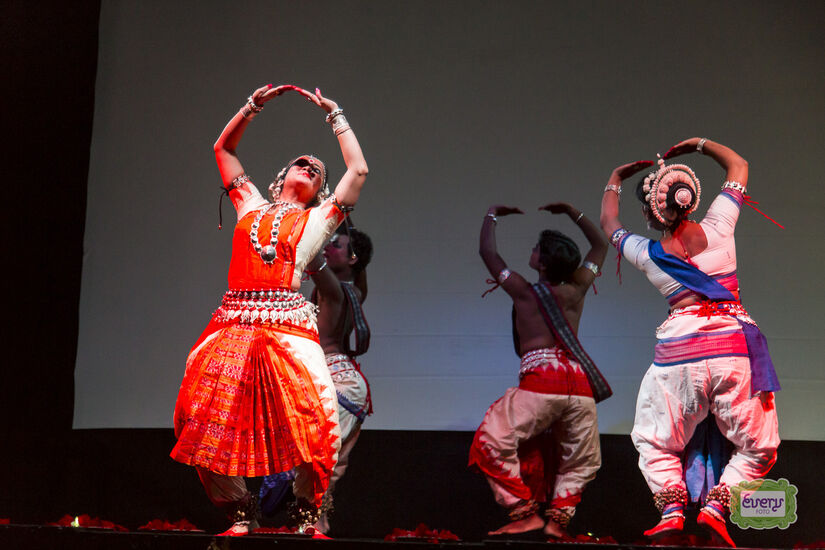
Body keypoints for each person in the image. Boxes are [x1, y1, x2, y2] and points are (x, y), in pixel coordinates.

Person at [170, 83, 368, 536]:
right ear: (282, 176)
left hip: (288, 329)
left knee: (317, 418)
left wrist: (336, 115)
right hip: (232, 323)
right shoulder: (250, 204)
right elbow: (224, 148)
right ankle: (240, 512)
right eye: (303, 163)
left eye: (318, 172)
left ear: (320, 191)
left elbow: (357, 169)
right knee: (194, 417)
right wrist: (252, 106)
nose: (311, 167)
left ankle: (304, 516)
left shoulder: (320, 219)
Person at [599, 139, 780, 547]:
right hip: (734, 351)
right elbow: (739, 164)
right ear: (691, 200)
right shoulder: (719, 226)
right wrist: (699, 144)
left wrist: (614, 179)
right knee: (758, 446)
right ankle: (717, 507)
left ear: (651, 212)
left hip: (680, 357)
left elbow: (610, 225)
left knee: (655, 440)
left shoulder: (647, 253)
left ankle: (672, 510)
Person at [468, 202, 610, 539]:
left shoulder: (523, 291)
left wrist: (491, 214)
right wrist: (573, 212)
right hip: (580, 387)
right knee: (579, 459)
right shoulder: (578, 287)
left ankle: (523, 511)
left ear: (542, 263)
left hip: (542, 384)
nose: (531, 252)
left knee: (491, 440)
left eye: (535, 249)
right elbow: (601, 245)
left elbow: (488, 253)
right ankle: (557, 522)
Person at [259, 222, 374, 534]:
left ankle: (312, 528)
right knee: (318, 471)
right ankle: (313, 527)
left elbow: (309, 256)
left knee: (317, 467)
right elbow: (358, 263)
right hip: (335, 383)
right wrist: (346, 221)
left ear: (351, 260)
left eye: (337, 245)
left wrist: (310, 216)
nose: (329, 246)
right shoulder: (355, 290)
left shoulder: (335, 292)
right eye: (331, 242)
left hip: (337, 385)